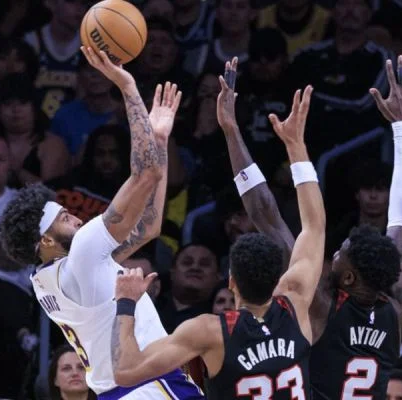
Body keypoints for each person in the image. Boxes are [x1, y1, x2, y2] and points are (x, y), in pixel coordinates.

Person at [110, 62, 326, 400]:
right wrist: (296, 146)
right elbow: (314, 226)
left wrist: (125, 303)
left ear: (230, 281)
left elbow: (125, 372)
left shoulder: (209, 331)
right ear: (277, 279)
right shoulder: (295, 302)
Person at [219, 54, 402, 398]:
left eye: (341, 253)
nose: (334, 254)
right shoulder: (396, 306)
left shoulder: (322, 305)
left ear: (349, 278)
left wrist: (230, 130)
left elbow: (265, 214)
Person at [0, 47, 195, 398]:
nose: (74, 216)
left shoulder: (47, 279)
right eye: (63, 217)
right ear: (45, 241)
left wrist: (159, 142)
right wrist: (128, 87)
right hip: (147, 387)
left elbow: (149, 228)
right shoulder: (84, 253)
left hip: (118, 390)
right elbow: (145, 173)